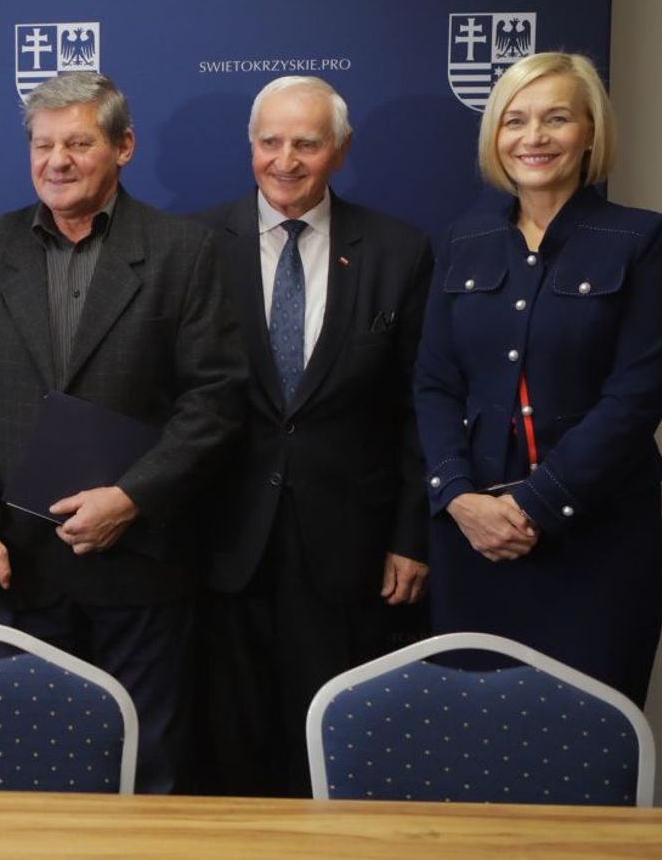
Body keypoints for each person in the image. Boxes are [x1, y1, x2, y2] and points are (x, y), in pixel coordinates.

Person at [0, 72, 247, 793]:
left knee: (148, 769)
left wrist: (132, 497)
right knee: (26, 773)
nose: (57, 161)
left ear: (124, 147)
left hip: (140, 565)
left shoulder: (183, 251)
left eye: (77, 143)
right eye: (43, 145)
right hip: (16, 565)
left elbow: (216, 401)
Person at [415, 52, 662, 707]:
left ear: (590, 132)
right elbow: (434, 382)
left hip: (597, 538)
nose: (533, 137)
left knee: (592, 734)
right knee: (474, 734)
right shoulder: (462, 240)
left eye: (556, 118)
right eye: (515, 121)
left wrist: (537, 504)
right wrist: (458, 497)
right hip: (473, 536)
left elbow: (636, 396)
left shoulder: (639, 237)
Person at [192, 76, 432, 795]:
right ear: (250, 147)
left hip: (349, 551)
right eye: (270, 141)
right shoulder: (194, 245)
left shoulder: (398, 250)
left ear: (341, 149)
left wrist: (412, 535)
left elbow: (419, 408)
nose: (285, 160)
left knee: (334, 755)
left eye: (306, 142)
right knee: (225, 753)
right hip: (220, 544)